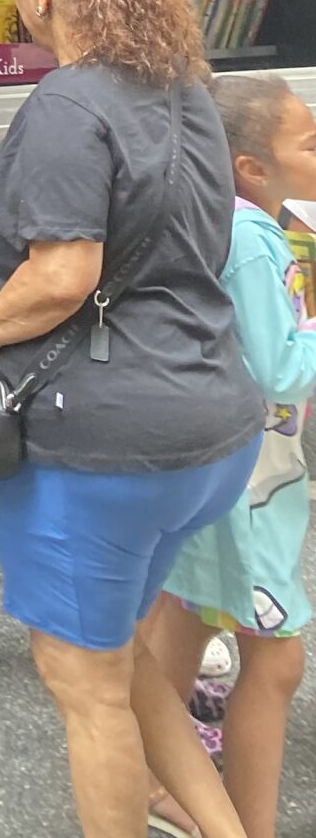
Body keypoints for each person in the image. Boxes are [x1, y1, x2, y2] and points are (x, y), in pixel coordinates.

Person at [0, 0, 264, 838]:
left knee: (87, 691)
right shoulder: (187, 90)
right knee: (123, 663)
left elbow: (62, 274)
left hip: (101, 438)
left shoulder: (69, 104)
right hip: (209, 423)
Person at [144, 74, 316, 838]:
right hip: (247, 479)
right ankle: (248, 824)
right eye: (307, 142)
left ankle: (154, 784)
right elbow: (280, 367)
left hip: (212, 464)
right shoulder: (252, 238)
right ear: (251, 165)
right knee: (275, 663)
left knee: (186, 615)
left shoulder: (232, 218)